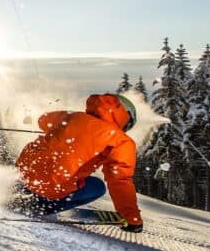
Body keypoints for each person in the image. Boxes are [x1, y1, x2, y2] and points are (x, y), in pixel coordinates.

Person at [11, 93, 144, 233]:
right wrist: (132, 218)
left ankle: (20, 190)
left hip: (23, 175)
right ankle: (39, 205)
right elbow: (120, 180)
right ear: (126, 115)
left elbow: (43, 120)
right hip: (50, 189)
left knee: (45, 169)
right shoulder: (121, 141)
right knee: (98, 186)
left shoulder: (73, 116)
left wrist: (67, 126)